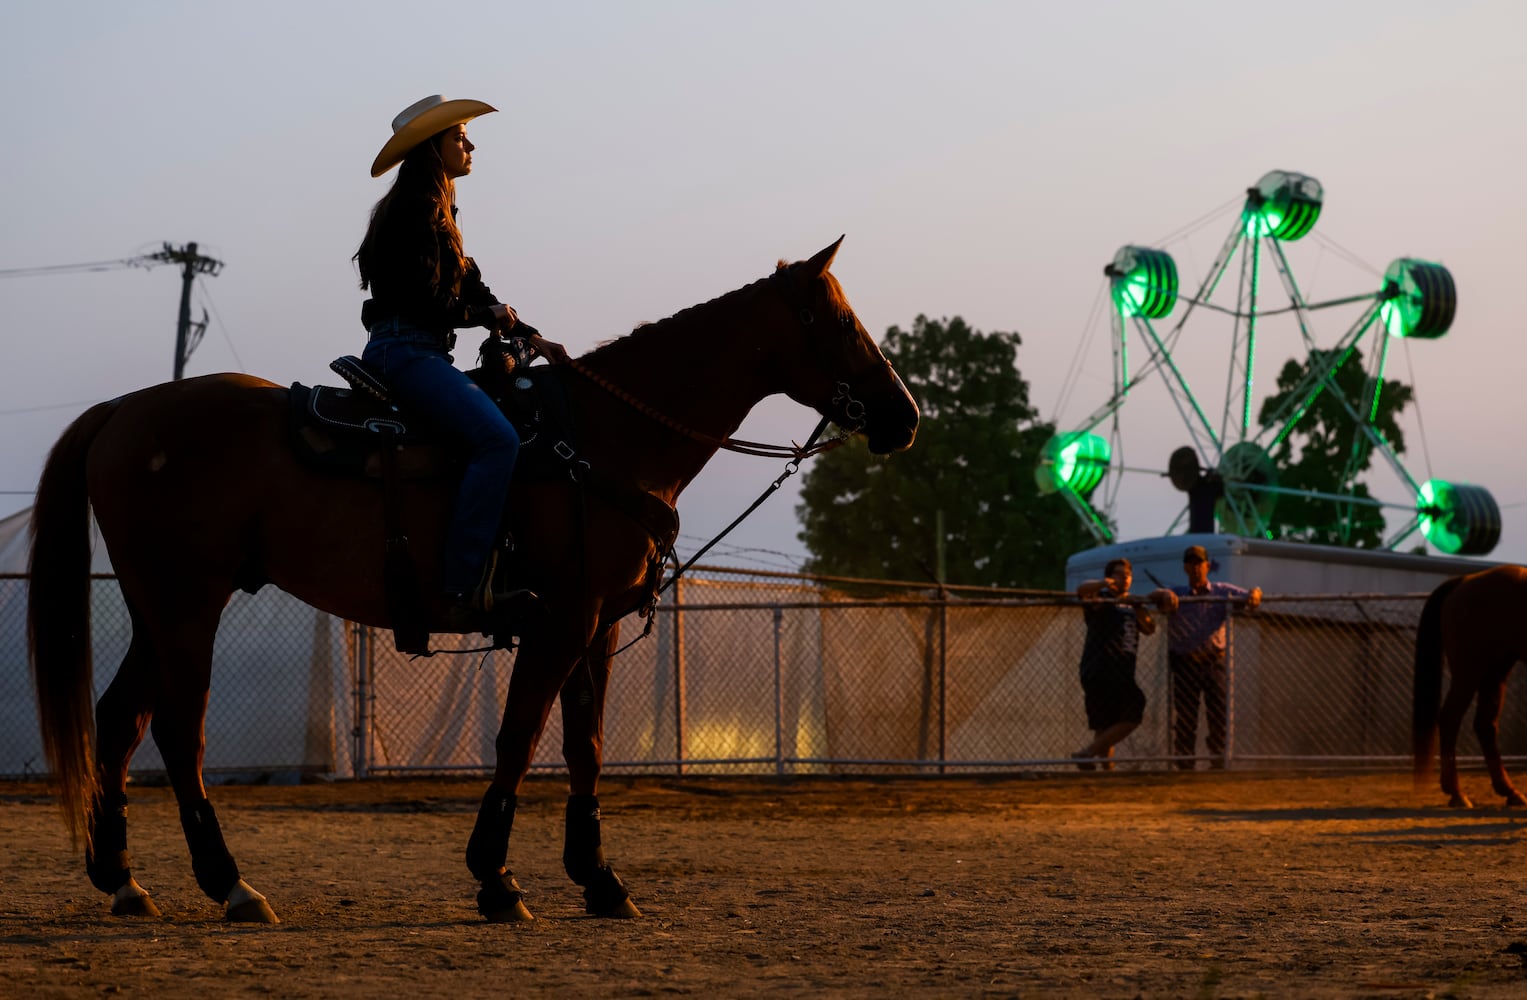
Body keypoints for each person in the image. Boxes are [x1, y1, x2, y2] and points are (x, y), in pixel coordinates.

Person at [354, 95, 569, 621]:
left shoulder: (439, 209)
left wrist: (531, 334)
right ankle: (465, 583)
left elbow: (473, 285)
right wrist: (482, 317)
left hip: (419, 350)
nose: (469, 144)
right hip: (404, 351)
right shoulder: (414, 209)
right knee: (497, 439)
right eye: (459, 136)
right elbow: (425, 299)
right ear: (434, 148)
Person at [1072, 558, 1177, 769]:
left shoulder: (1133, 602)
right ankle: (1094, 758)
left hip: (1123, 670)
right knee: (1107, 721)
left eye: (1127, 575)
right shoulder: (1101, 599)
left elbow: (1149, 628)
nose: (1124, 579)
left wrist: (1141, 605)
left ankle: (1092, 757)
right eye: (1118, 574)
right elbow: (1082, 590)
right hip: (1099, 668)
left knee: (1121, 718)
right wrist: (1104, 584)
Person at [1165, 545, 1262, 769]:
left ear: (1207, 566)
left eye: (1199, 563)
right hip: (1186, 661)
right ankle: (1185, 762)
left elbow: (1250, 595)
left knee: (1218, 712)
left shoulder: (1221, 591)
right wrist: (1164, 594)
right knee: (1186, 716)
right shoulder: (1177, 593)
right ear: (1185, 568)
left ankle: (1218, 759)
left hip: (1213, 660)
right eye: (1191, 563)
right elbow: (1156, 597)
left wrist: (1255, 592)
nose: (1196, 567)